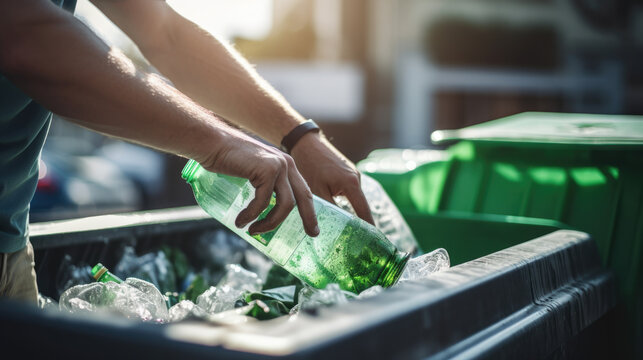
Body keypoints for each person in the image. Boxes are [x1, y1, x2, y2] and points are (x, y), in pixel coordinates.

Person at [0, 0, 374, 304]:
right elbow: (22, 32)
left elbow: (165, 32)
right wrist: (219, 142)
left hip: (14, 247)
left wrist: (299, 136)